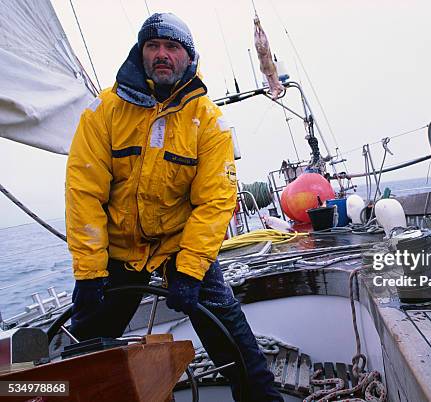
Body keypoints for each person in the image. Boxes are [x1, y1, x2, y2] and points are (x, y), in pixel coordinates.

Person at [65, 12, 283, 402]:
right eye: (153, 46)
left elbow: (215, 200)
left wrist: (190, 270)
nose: (162, 54)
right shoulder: (103, 111)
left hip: (181, 247)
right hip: (117, 251)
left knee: (231, 336)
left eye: (171, 47)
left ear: (188, 57)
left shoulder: (209, 122)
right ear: (141, 52)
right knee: (83, 348)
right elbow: (84, 191)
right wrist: (89, 271)